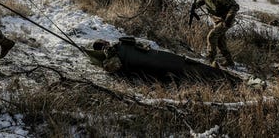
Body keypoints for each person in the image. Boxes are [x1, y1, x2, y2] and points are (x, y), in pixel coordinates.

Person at [84, 37, 240, 84]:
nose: (107, 44)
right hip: (155, 66)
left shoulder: (120, 44)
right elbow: (113, 67)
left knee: (191, 65)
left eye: (105, 42)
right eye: (103, 45)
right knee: (188, 73)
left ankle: (229, 78)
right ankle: (229, 81)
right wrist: (108, 53)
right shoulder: (112, 57)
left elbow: (143, 46)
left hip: (158, 57)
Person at [193, 0, 239, 68]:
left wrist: (229, 18)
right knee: (220, 41)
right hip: (216, 20)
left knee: (212, 36)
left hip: (225, 20)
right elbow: (204, 0)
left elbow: (235, 6)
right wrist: (196, 5)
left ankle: (211, 60)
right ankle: (229, 61)